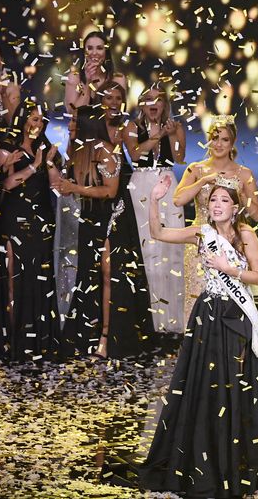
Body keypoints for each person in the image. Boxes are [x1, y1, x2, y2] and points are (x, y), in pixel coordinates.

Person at [138, 175, 258, 497]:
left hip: (235, 318)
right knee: (203, 387)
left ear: (234, 208)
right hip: (207, 316)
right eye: (213, 200)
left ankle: (233, 461)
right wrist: (154, 199)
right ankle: (202, 459)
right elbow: (158, 232)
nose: (216, 205)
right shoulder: (201, 233)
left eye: (223, 201)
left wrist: (228, 267)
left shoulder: (245, 234)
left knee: (233, 385)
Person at [57, 107, 154, 359]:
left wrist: (75, 187)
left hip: (112, 218)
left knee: (109, 274)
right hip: (89, 216)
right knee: (88, 275)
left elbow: (110, 192)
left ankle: (108, 337)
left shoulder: (107, 151)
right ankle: (87, 333)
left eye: (76, 122)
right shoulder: (77, 150)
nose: (71, 126)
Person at [174, 116, 258, 322]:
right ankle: (196, 349)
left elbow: (257, 214)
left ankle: (227, 349)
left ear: (232, 143)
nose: (218, 144)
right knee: (198, 297)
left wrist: (239, 195)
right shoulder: (195, 169)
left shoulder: (244, 173)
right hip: (200, 243)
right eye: (214, 138)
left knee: (228, 300)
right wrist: (203, 181)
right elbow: (178, 200)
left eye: (224, 139)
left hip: (231, 244)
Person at [0, 103, 62, 362]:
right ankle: (13, 340)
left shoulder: (46, 150)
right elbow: (7, 183)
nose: (38, 125)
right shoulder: (8, 148)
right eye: (34, 119)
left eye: (42, 121)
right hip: (13, 220)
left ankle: (38, 340)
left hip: (40, 220)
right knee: (14, 277)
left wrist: (50, 163)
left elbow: (56, 185)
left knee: (39, 279)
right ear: (23, 121)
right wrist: (34, 165)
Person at [123, 86, 187, 333]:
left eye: (158, 100)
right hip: (141, 185)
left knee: (170, 247)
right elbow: (136, 154)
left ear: (164, 105)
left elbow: (180, 158)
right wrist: (158, 135)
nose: (153, 104)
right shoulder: (132, 127)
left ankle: (172, 320)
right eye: (148, 100)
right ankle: (149, 318)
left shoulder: (176, 126)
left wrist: (170, 135)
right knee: (146, 244)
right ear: (141, 104)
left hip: (168, 185)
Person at [64, 30, 127, 113]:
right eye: (89, 48)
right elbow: (73, 113)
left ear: (106, 52)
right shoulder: (74, 77)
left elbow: (120, 112)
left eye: (99, 48)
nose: (94, 53)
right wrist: (88, 83)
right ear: (84, 52)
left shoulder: (118, 79)